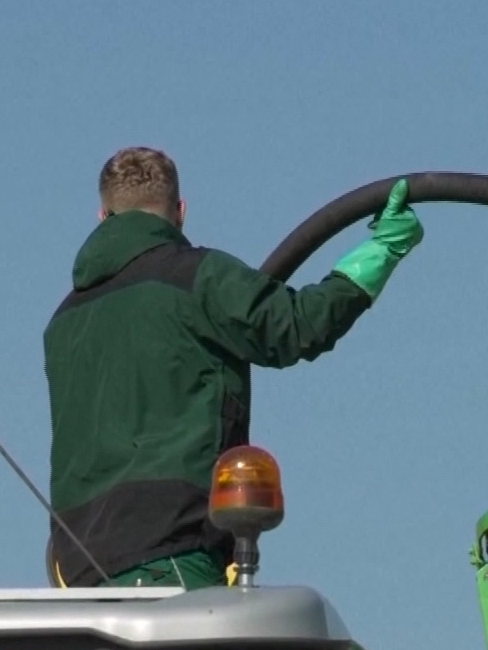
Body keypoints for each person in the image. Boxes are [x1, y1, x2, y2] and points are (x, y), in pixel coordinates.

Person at [43, 145, 423, 591]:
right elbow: (297, 327)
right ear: (180, 212)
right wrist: (382, 250)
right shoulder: (194, 276)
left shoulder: (63, 322)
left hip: (79, 570)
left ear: (102, 216)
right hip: (173, 549)